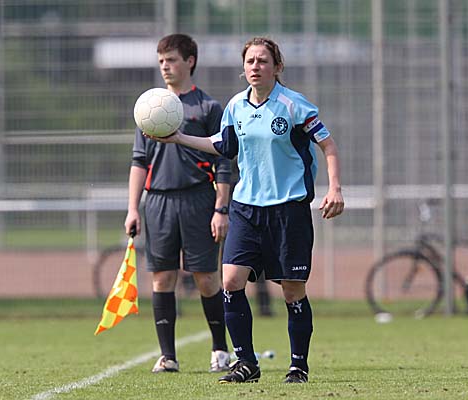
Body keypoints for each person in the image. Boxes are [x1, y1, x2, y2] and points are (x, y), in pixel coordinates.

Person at [148, 36, 345, 384]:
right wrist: (178, 137)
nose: (255, 67)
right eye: (250, 61)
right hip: (246, 208)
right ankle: (246, 363)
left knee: (292, 290)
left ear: (277, 67)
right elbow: (222, 145)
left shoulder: (294, 105)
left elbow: (327, 145)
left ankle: (298, 366)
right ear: (243, 68)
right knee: (230, 280)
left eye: (263, 61)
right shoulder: (236, 106)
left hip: (288, 210)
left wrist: (335, 188)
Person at [124, 33, 232, 373]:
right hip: (158, 202)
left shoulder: (208, 107)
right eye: (161, 61)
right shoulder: (147, 107)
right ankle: (167, 356)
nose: (165, 67)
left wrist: (221, 207)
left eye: (171, 60)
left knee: (206, 279)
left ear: (190, 61)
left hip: (198, 199)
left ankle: (220, 350)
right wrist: (133, 208)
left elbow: (224, 160)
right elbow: (139, 161)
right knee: (162, 279)